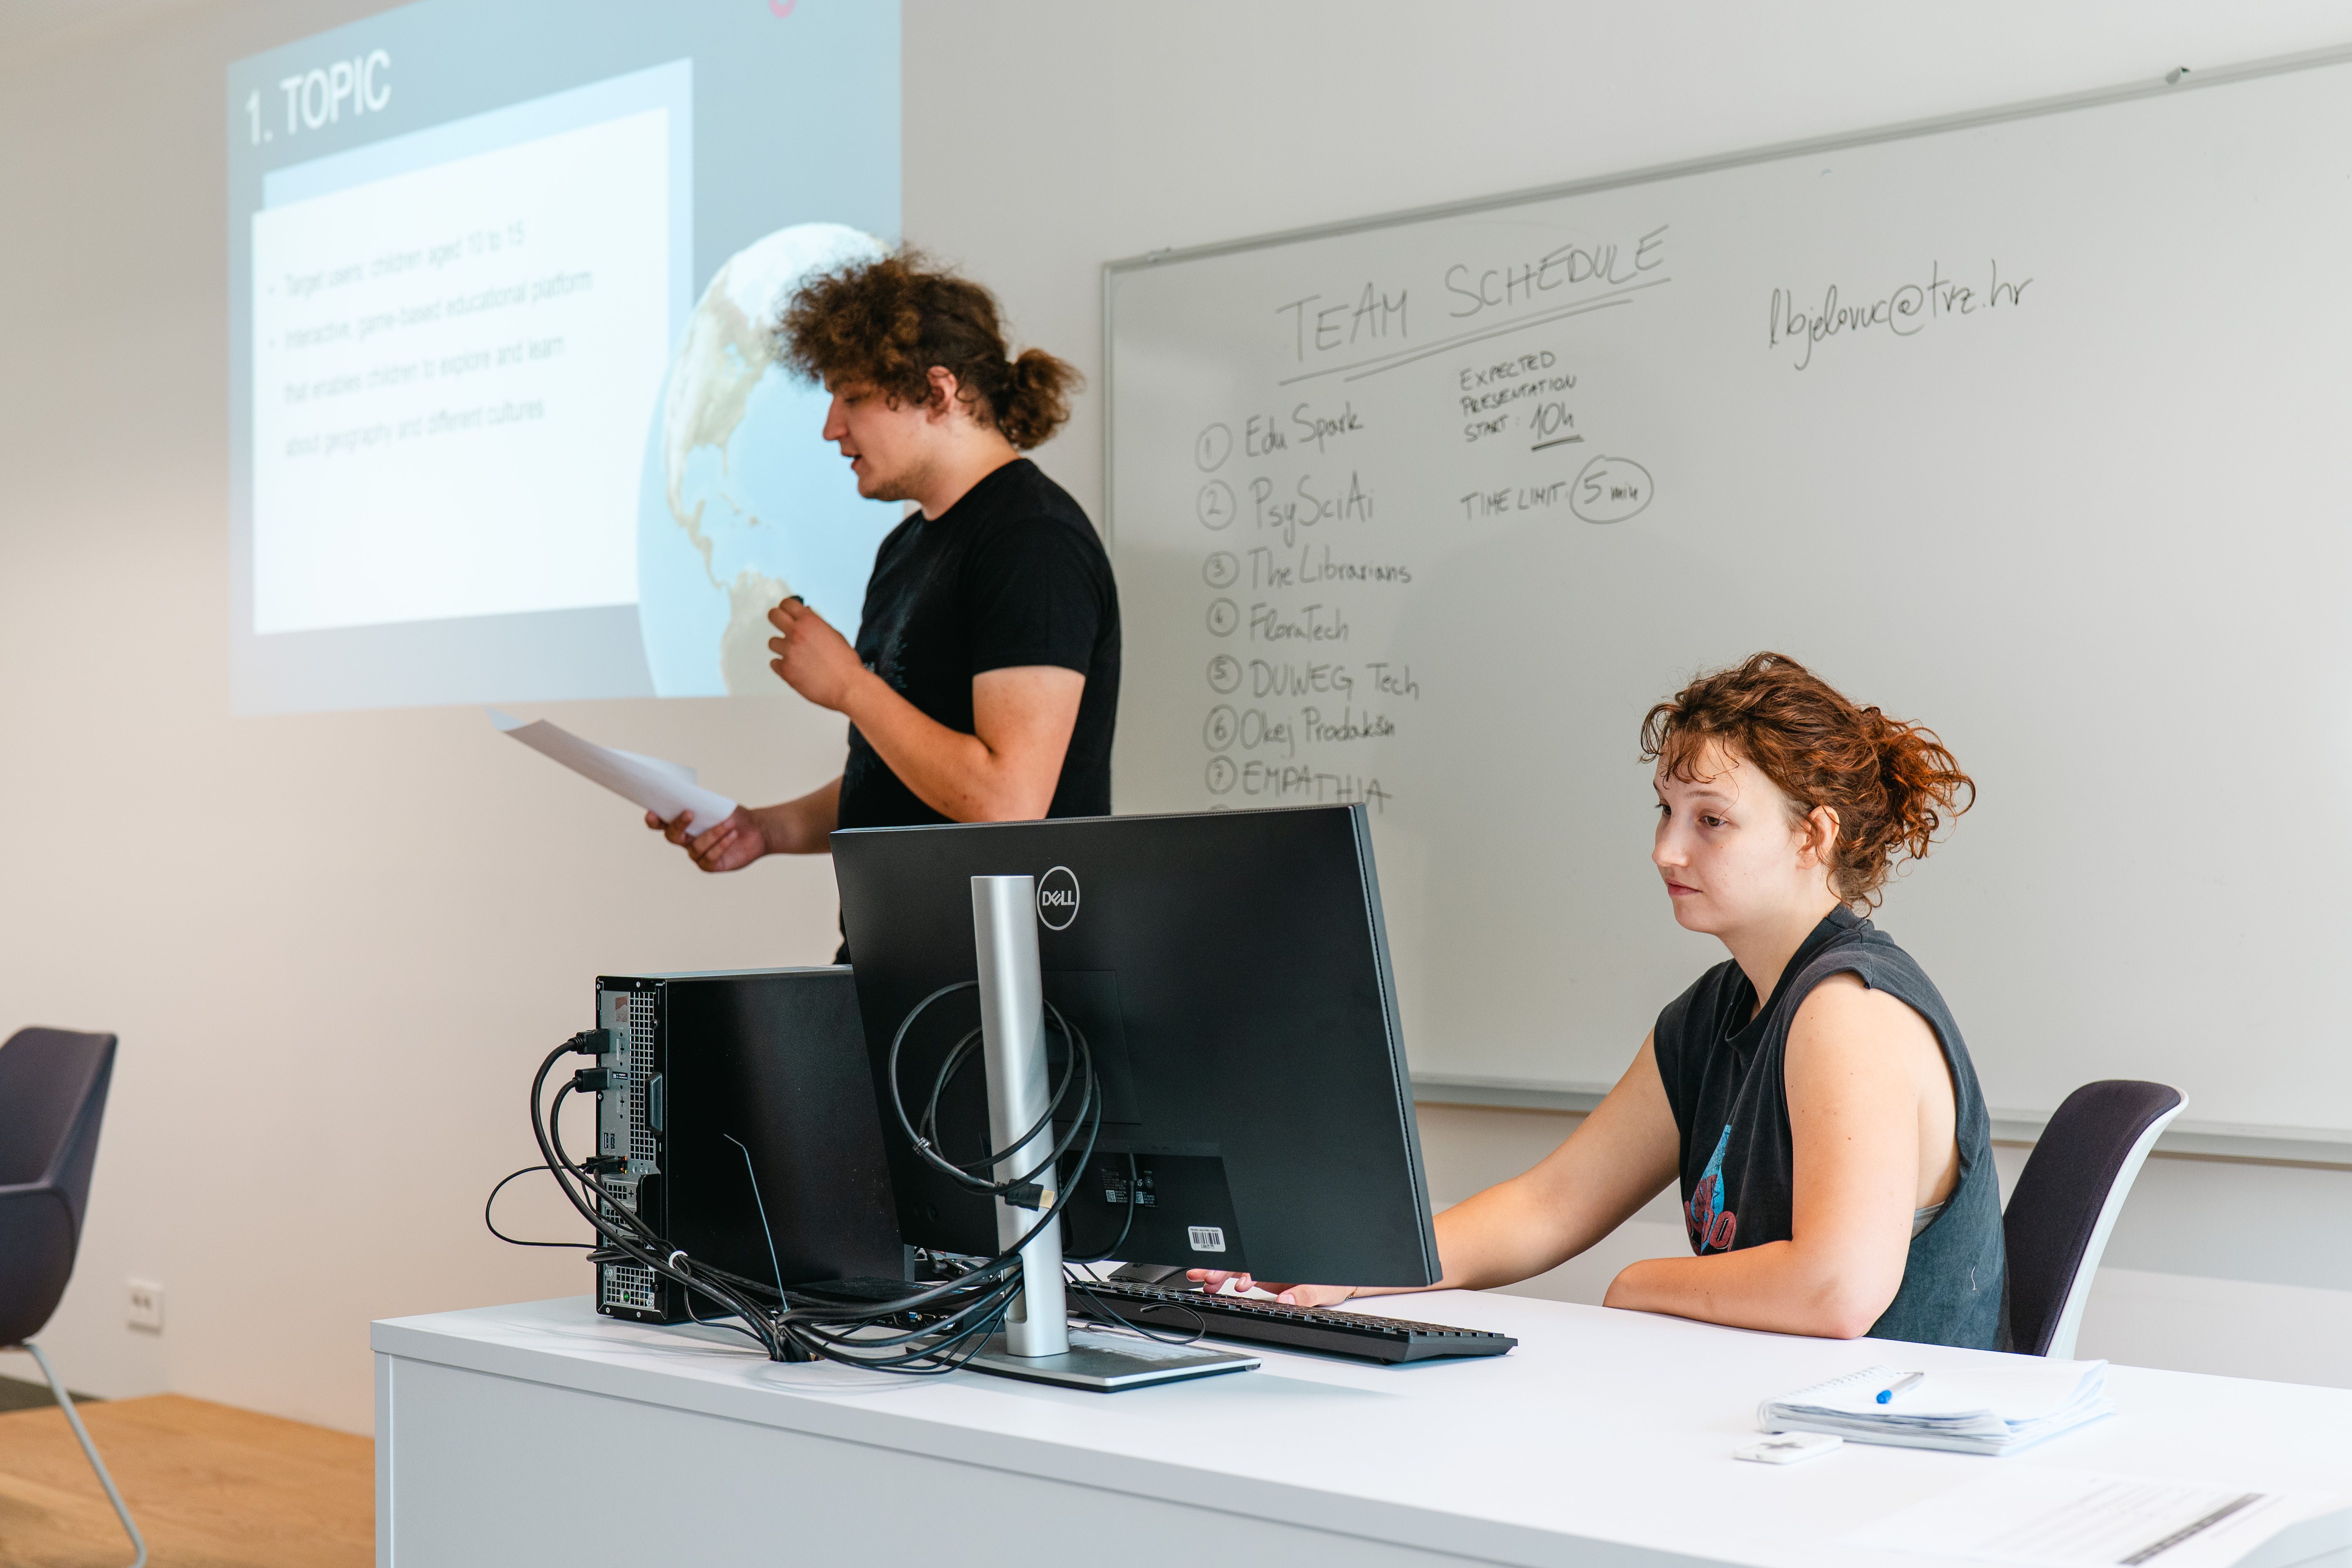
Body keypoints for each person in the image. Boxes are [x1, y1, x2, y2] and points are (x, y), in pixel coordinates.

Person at [1198, 653, 2006, 1348]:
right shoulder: (1716, 1011)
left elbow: (1837, 1289)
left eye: (1711, 820)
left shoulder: (1848, 1010)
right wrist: (1349, 1265)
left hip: (1892, 1452)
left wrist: (1637, 1282)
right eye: (1665, 811)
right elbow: (1550, 1205)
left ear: (1812, 836)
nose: (1666, 850)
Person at [646, 253, 1118, 954]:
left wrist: (850, 687)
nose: (832, 427)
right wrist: (765, 830)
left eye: (854, 398)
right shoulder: (906, 550)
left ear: (939, 392)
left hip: (1004, 981)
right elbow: (901, 775)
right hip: (893, 961)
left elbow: (1005, 801)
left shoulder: (1033, 542)